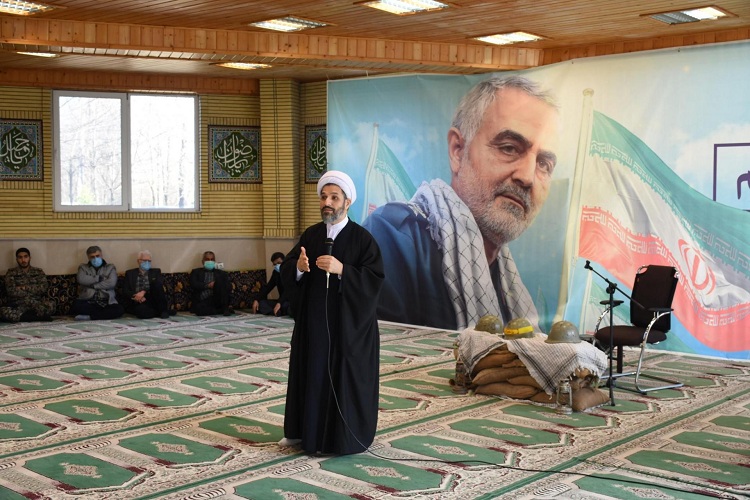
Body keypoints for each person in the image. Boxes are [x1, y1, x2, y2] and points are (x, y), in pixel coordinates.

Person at [363, 75, 559, 331]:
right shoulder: (392, 239)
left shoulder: (507, 282)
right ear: (458, 151)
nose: (527, 177)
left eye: (544, 164)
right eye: (509, 148)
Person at [279, 170, 384, 455]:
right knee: (310, 374)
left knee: (342, 379)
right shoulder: (311, 235)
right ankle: (304, 433)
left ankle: (343, 438)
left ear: (347, 203)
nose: (327, 202)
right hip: (313, 327)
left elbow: (374, 281)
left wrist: (343, 270)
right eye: (324, 197)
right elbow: (288, 268)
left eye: (334, 197)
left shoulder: (363, 240)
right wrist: (298, 268)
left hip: (347, 330)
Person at [0, 247, 55, 322]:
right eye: (20, 257)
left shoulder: (38, 271)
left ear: (30, 258)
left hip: (35, 303)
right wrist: (33, 289)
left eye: (25, 257)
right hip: (18, 304)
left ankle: (24, 317)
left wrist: (25, 287)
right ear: (17, 259)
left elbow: (43, 288)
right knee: (3, 311)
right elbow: (11, 291)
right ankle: (37, 317)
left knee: (51, 305)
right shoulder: (11, 272)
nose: (23, 260)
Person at [72, 245, 125, 321]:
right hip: (88, 301)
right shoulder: (83, 267)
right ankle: (101, 315)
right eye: (92, 257)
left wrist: (92, 285)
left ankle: (90, 317)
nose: (95, 259)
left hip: (106, 302)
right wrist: (99, 278)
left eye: (97, 256)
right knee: (76, 306)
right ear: (88, 257)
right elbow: (81, 279)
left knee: (119, 310)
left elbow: (111, 283)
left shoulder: (110, 267)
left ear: (101, 255)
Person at [123, 250, 170, 319]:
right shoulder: (130, 273)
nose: (147, 262)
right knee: (140, 312)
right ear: (138, 261)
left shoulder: (156, 272)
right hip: (139, 300)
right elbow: (125, 290)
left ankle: (163, 311)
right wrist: (137, 296)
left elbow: (159, 285)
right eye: (145, 260)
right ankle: (160, 312)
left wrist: (144, 291)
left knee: (156, 285)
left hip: (153, 299)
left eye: (149, 261)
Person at [189, 251, 232, 316]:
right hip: (204, 300)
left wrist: (217, 285)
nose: (210, 261)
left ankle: (224, 308)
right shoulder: (196, 272)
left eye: (212, 259)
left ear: (214, 261)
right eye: (207, 259)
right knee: (199, 310)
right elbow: (193, 284)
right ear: (203, 261)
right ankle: (222, 310)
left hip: (217, 298)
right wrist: (208, 285)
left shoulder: (221, 273)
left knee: (220, 281)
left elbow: (229, 286)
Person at [251, 252, 290, 316]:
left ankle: (279, 311)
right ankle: (276, 312)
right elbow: (268, 287)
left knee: (287, 307)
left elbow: (288, 290)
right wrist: (257, 299)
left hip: (289, 301)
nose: (277, 266)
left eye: (279, 263)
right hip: (280, 301)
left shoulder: (290, 271)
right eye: (275, 264)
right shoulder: (276, 273)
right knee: (261, 304)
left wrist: (279, 303)